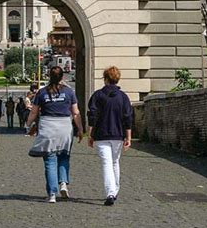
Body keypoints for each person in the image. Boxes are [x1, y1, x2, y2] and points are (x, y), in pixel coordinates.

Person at [27, 66, 84, 202]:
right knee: (64, 156)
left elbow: (34, 112)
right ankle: (63, 183)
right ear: (62, 77)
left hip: (48, 127)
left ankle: (52, 194)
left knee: (50, 160)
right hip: (65, 127)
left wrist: (28, 125)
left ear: (49, 76)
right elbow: (75, 113)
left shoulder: (41, 93)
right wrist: (81, 129)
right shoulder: (69, 92)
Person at [87, 65, 132, 206]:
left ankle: (110, 193)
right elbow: (128, 117)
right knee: (114, 162)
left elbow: (92, 115)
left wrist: (90, 134)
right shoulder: (123, 97)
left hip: (101, 134)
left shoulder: (98, 95)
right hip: (118, 134)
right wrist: (128, 137)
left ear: (105, 79)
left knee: (107, 163)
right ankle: (115, 189)